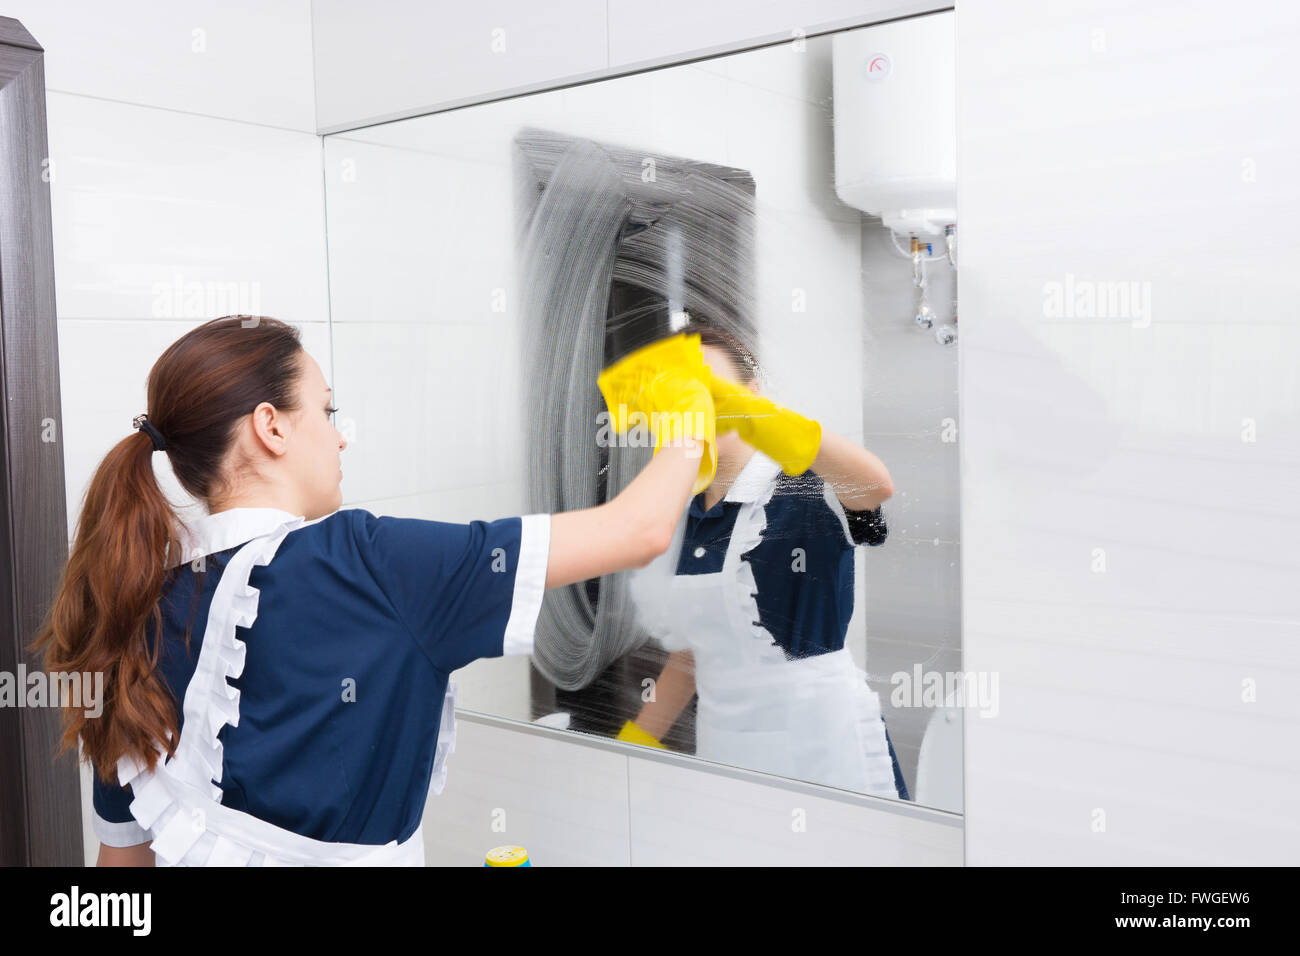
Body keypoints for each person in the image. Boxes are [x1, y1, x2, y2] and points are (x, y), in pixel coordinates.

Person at [33, 315, 715, 866]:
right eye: (327, 412)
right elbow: (642, 529)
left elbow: (121, 871)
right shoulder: (371, 563)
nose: (340, 440)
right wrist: (691, 409)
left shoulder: (130, 606)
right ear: (271, 426)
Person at [616, 324, 910, 800]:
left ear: (750, 395)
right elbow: (691, 655)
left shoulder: (802, 487)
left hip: (823, 747)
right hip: (725, 750)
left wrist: (763, 419)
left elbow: (875, 486)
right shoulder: (678, 514)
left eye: (711, 387)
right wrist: (637, 742)